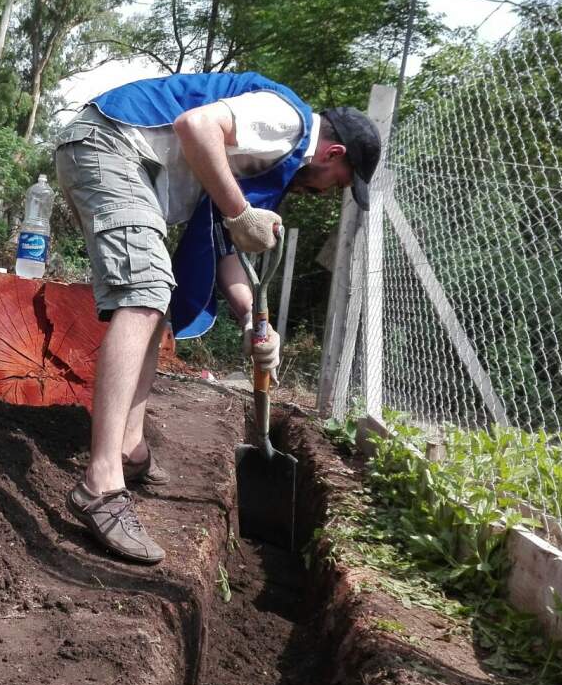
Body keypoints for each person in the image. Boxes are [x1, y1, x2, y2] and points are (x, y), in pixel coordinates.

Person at [55, 71, 380, 564]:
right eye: (341, 183)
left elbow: (227, 248)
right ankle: (101, 484)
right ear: (334, 155)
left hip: (119, 156)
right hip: (109, 144)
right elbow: (195, 125)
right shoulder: (286, 120)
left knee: (154, 300)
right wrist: (239, 212)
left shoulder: (263, 163)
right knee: (143, 293)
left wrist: (252, 316)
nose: (332, 191)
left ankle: (131, 446)